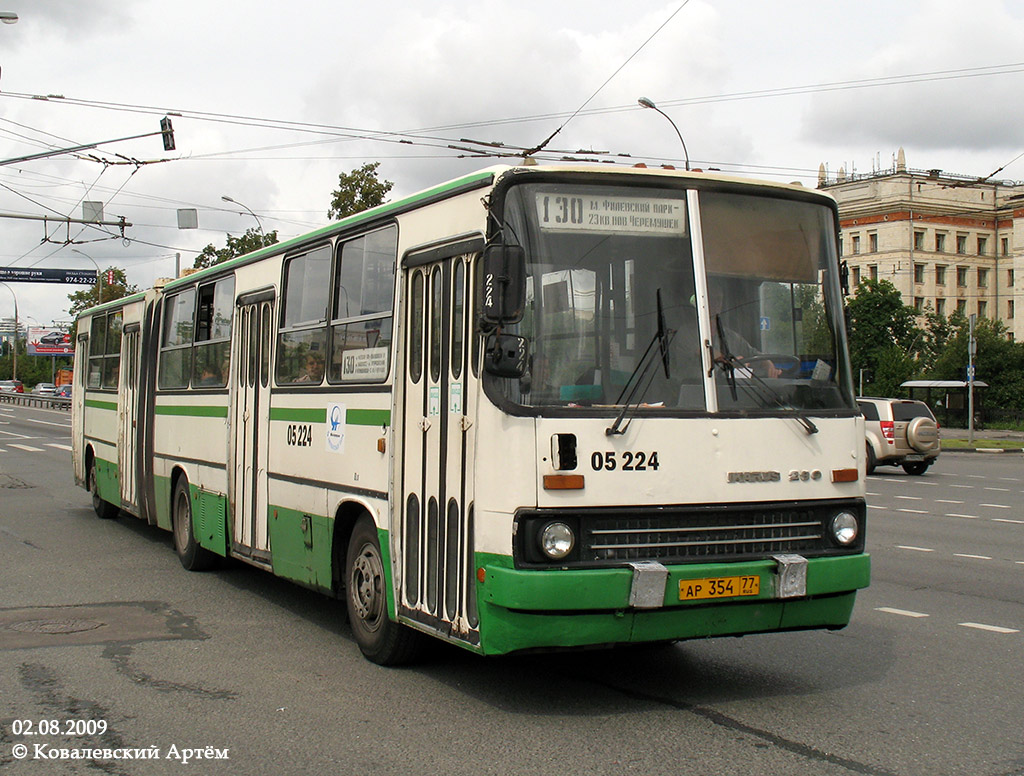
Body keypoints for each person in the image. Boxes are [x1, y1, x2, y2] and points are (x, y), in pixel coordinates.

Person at [707, 279, 781, 378]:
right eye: (711, 299)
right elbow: (702, 352)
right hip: (696, 390)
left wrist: (767, 363)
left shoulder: (731, 337)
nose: (716, 304)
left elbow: (753, 354)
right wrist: (729, 361)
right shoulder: (687, 334)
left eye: (718, 299)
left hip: (730, 391)